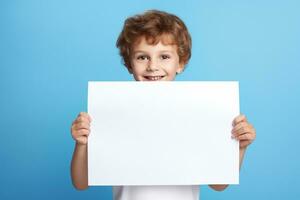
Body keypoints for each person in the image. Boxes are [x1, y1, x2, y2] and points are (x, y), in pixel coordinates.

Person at [70, 10, 256, 200]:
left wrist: (239, 147)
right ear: (129, 64)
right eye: (142, 57)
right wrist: (81, 144)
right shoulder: (113, 111)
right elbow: (81, 183)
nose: (152, 66)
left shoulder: (197, 112)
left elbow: (219, 184)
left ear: (181, 62)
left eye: (164, 57)